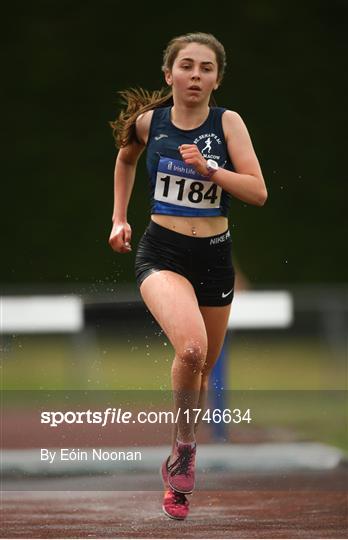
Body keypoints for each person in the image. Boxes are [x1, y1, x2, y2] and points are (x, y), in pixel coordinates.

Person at [109, 32, 267, 520]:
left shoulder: (228, 123)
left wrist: (213, 170)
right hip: (163, 252)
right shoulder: (149, 123)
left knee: (199, 375)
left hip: (214, 257)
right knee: (192, 350)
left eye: (205, 68)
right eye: (187, 66)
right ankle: (184, 454)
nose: (195, 75)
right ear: (169, 74)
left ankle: (182, 451)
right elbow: (125, 158)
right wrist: (119, 218)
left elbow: (258, 192)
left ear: (217, 78)